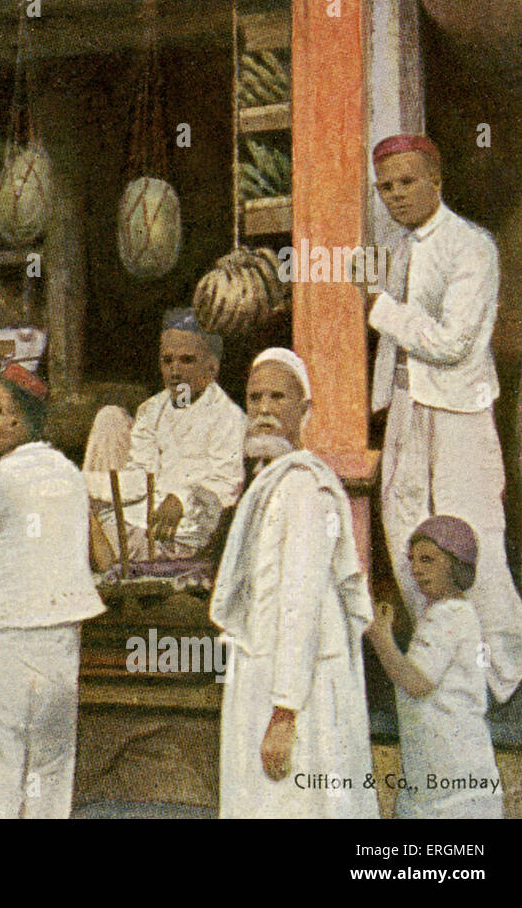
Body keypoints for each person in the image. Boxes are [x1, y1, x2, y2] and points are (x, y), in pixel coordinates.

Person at [367, 133, 522, 703]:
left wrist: (379, 310)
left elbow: (455, 343)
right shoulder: (393, 247)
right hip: (409, 409)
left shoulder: (471, 245)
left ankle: (499, 671)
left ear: (436, 179)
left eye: (407, 182)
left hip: (460, 411)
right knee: (404, 527)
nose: (396, 195)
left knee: (470, 535)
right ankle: (441, 660)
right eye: (385, 187)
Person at [210, 348, 377, 819]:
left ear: (304, 411)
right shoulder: (269, 482)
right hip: (266, 674)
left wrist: (284, 714)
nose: (263, 409)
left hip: (301, 688)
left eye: (277, 397)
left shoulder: (305, 487)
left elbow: (300, 606)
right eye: (255, 397)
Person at [0, 364, 110, 819]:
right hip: (59, 638)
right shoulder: (71, 475)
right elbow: (103, 557)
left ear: (18, 422)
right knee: (51, 766)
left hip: (0, 638)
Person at [366, 515, 503, 818]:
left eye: (428, 560)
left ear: (456, 564)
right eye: (413, 560)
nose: (416, 569)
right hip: (438, 762)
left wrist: (381, 639)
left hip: (452, 767)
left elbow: (417, 682)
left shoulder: (449, 615)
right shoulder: (444, 613)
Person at [83, 309, 246, 560]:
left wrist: (181, 500)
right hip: (146, 515)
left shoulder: (229, 417)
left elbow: (227, 484)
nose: (175, 371)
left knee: (92, 538)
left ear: (211, 368)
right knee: (86, 517)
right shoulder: (151, 410)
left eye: (186, 360)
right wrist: (91, 487)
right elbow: (139, 476)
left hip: (189, 528)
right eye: (167, 361)